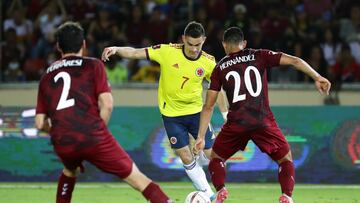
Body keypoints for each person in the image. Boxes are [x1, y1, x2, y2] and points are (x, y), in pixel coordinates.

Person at [35, 21, 172, 203]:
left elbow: (39, 123)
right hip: (93, 135)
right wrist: (97, 131)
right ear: (83, 44)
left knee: (69, 171)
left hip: (63, 140)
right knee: (139, 180)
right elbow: (106, 104)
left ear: (58, 46)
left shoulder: (47, 76)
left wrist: (60, 132)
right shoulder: (93, 65)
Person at [193, 27, 331, 203]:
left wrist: (200, 136)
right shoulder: (260, 55)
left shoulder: (219, 68)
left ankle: (221, 190)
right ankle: (286, 196)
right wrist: (317, 76)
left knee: (217, 158)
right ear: (244, 44)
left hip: (237, 123)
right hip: (262, 120)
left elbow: (208, 106)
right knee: (285, 159)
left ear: (224, 45)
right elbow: (295, 61)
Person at [102, 21, 228, 199]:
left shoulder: (208, 62)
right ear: (183, 39)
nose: (193, 49)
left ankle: (211, 177)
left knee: (212, 156)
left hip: (196, 114)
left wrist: (225, 114)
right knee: (185, 156)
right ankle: (209, 195)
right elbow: (137, 52)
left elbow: (218, 89)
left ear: (204, 40)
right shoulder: (167, 51)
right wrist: (117, 48)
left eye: (198, 45)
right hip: (172, 116)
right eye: (190, 44)